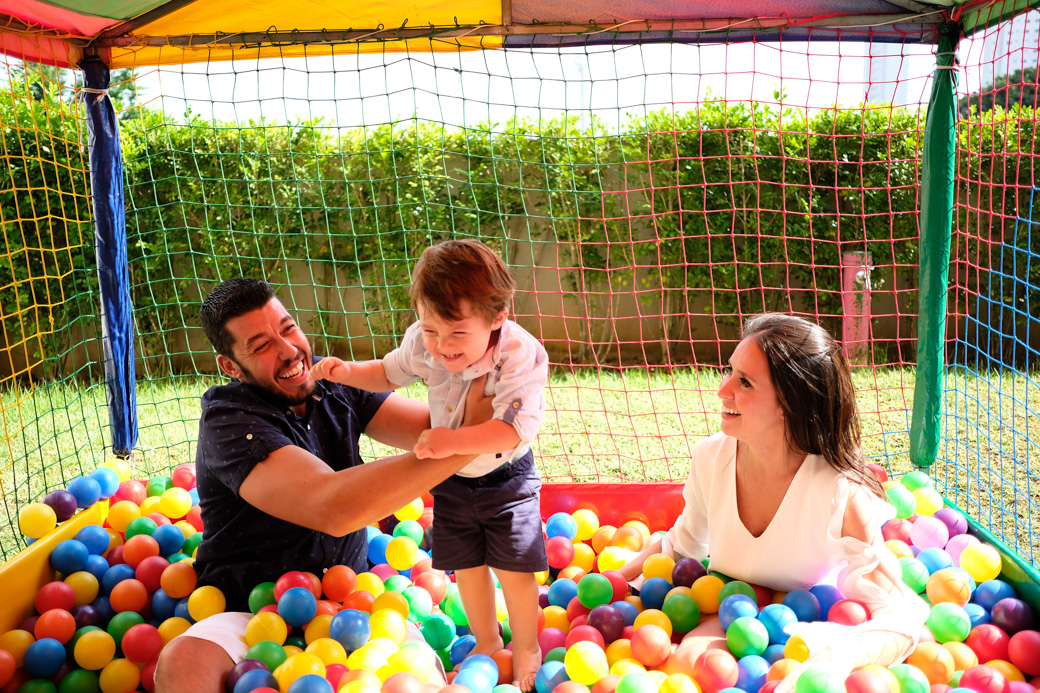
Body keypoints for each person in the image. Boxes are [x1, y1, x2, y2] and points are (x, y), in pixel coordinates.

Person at [154, 277, 493, 693]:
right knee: (183, 660)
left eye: (288, 327)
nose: (288, 350)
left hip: (351, 605)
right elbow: (333, 507)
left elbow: (432, 428)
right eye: (261, 346)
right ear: (231, 366)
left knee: (420, 681)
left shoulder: (334, 386)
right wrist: (477, 439)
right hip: (249, 608)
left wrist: (494, 382)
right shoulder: (229, 420)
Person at [619, 313, 928, 683]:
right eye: (730, 371)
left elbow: (898, 616)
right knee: (691, 669)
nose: (723, 390)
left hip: (813, 620)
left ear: (789, 403)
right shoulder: (710, 458)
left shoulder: (841, 493)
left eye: (745, 382)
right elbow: (680, 546)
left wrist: (831, 661)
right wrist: (614, 580)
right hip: (733, 605)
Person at [311, 239, 549, 690]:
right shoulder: (426, 342)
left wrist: (452, 440)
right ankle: (486, 642)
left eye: (457, 333)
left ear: (497, 318)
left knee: (515, 570)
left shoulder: (519, 355)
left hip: (506, 480)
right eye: (430, 330)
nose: (442, 346)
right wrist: (348, 372)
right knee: (470, 567)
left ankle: (527, 646)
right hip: (454, 479)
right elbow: (388, 371)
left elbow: (512, 429)